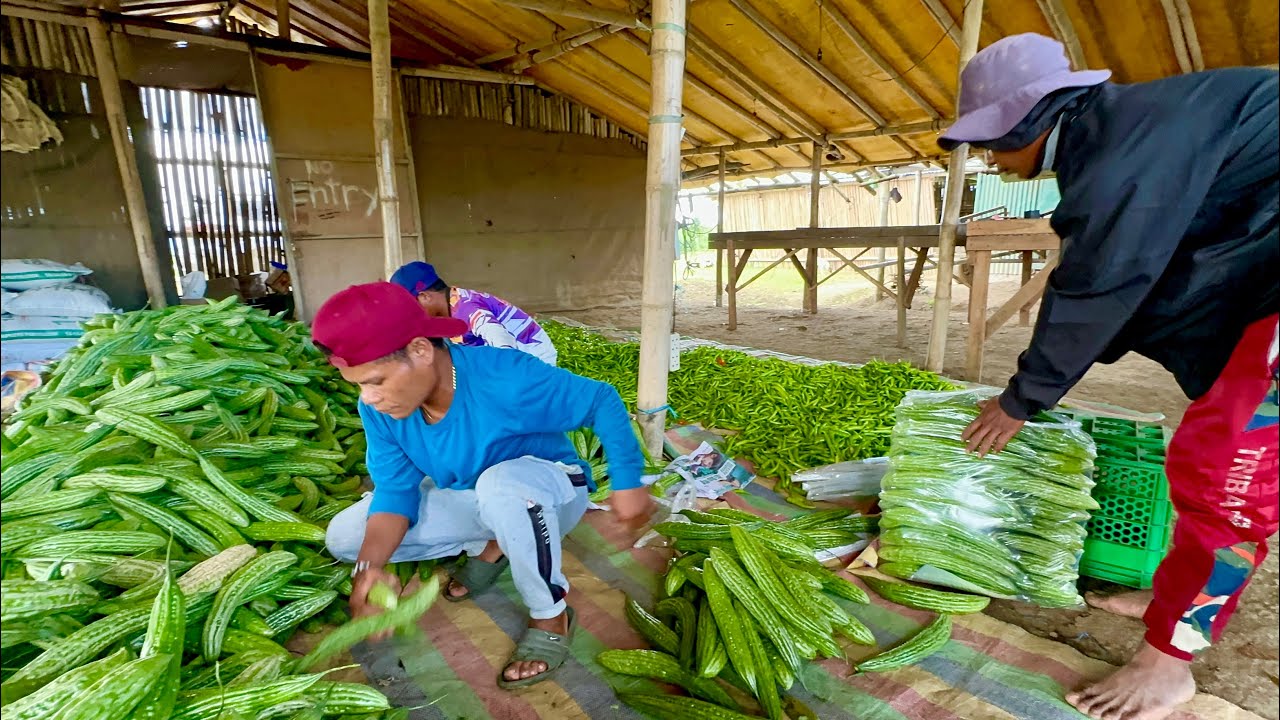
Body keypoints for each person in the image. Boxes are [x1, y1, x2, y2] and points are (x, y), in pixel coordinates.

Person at [940, 33, 1278, 720]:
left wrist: (1021, 400)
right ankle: (1173, 596)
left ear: (1029, 120)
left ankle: (1169, 664)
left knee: (1227, 471)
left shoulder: (1123, 152)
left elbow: (1098, 286)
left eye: (993, 141)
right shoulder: (1117, 133)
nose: (992, 158)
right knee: (1211, 448)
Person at [312, 282, 654, 689]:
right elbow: (394, 492)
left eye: (376, 380)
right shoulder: (385, 412)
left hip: (550, 493)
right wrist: (369, 570)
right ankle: (495, 545)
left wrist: (628, 481)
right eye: (359, 386)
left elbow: (601, 400)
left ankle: (551, 614)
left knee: (503, 487)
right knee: (346, 537)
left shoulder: (504, 377)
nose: (368, 398)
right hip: (478, 498)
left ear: (421, 351)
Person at [390, 261, 557, 366]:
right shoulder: (449, 307)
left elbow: (502, 340)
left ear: (425, 297)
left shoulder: (467, 307)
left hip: (533, 357)